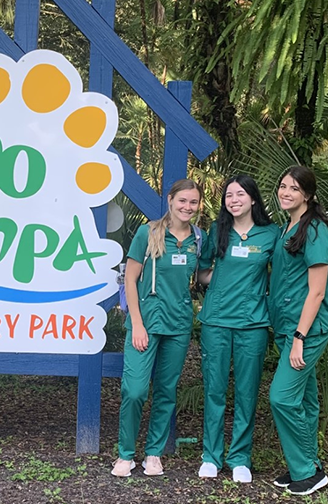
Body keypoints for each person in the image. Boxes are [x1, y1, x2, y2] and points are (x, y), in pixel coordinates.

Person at [112, 179, 208, 477]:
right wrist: (137, 324)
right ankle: (125, 454)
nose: (187, 207)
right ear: (170, 200)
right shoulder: (149, 232)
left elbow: (203, 277)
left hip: (178, 324)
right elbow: (130, 279)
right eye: (182, 201)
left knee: (166, 390)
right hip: (147, 322)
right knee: (135, 389)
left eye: (193, 202)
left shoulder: (198, 239)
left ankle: (153, 453)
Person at [196, 175, 279, 483]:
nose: (233, 199)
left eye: (240, 194)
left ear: (253, 199)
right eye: (228, 195)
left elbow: (285, 271)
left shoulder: (271, 234)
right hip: (216, 322)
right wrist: (219, 283)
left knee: (246, 393)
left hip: (253, 324)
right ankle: (211, 456)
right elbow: (202, 273)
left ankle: (240, 458)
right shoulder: (216, 232)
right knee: (214, 391)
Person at [268, 166, 328, 496]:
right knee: (304, 400)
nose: (286, 192)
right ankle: (306, 466)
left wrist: (299, 337)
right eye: (282, 186)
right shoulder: (288, 227)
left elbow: (317, 291)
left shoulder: (316, 230)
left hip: (306, 330)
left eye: (293, 188)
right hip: (286, 327)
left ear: (307, 194)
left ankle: (306, 469)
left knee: (281, 396)